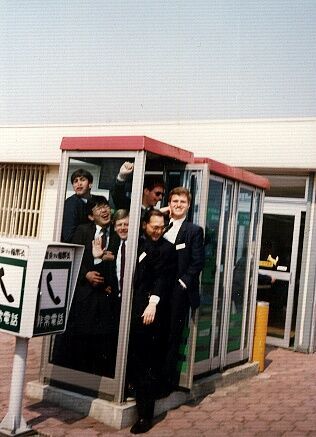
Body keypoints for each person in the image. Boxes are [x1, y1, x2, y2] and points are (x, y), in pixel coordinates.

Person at [53, 195, 117, 376]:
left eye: (105, 206)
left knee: (99, 341)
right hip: (84, 294)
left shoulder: (116, 232)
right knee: (78, 337)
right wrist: (86, 274)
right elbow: (72, 256)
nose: (104, 210)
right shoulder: (82, 231)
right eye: (98, 208)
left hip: (105, 295)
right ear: (91, 216)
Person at [128, 209, 177, 434]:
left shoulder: (166, 249)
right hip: (129, 308)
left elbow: (163, 278)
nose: (156, 231)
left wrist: (153, 303)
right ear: (144, 225)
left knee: (146, 363)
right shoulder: (135, 244)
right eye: (153, 226)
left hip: (149, 311)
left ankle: (144, 417)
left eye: (160, 227)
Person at [162, 186, 205, 393]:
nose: (178, 205)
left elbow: (197, 263)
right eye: (174, 201)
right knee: (157, 334)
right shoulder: (160, 226)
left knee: (172, 337)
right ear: (169, 204)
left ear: (188, 205)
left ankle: (168, 383)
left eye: (182, 202)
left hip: (178, 293)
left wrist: (181, 284)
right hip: (159, 290)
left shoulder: (194, 231)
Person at [61, 168, 93, 242]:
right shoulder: (72, 203)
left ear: (90, 184)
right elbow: (68, 236)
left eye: (82, 180)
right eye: (75, 181)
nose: (79, 183)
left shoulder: (92, 202)